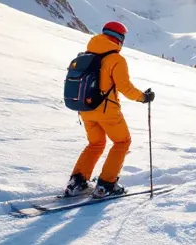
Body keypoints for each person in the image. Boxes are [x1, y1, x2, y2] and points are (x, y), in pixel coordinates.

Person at [64, 21, 155, 198]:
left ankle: (77, 182)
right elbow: (125, 87)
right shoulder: (115, 59)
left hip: (85, 108)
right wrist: (144, 97)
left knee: (96, 144)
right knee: (122, 142)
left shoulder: (86, 55)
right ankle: (106, 185)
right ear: (119, 38)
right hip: (107, 111)